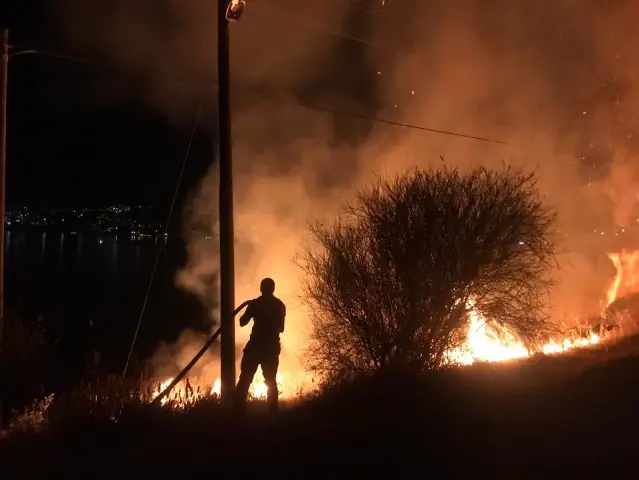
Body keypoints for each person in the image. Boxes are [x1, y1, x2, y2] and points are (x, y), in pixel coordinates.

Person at [235, 278, 286, 413]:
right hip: (271, 347)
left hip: (255, 347)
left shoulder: (255, 304)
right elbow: (281, 328)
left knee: (245, 378)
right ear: (273, 289)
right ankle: (273, 412)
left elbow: (242, 322)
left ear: (261, 288)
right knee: (271, 380)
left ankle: (237, 411)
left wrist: (251, 311)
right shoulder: (279, 305)